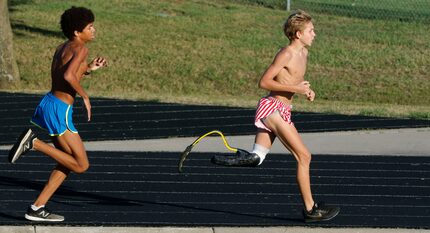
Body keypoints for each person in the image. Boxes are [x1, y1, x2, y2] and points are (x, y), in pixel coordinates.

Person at [212, 10, 340, 222]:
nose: (314, 34)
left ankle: (228, 158)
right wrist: (296, 89)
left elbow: (293, 80)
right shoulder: (286, 53)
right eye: (311, 30)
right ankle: (311, 210)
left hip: (283, 110)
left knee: (257, 159)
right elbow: (264, 82)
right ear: (298, 34)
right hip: (272, 108)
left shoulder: (304, 54)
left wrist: (305, 90)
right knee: (304, 156)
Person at [8, 6, 107, 222]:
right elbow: (70, 77)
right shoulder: (80, 48)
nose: (94, 30)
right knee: (81, 164)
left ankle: (37, 207)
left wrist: (89, 68)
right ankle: (34, 143)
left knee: (67, 163)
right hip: (60, 110)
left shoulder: (63, 47)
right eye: (89, 27)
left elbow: (66, 75)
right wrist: (86, 97)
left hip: (50, 104)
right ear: (77, 32)